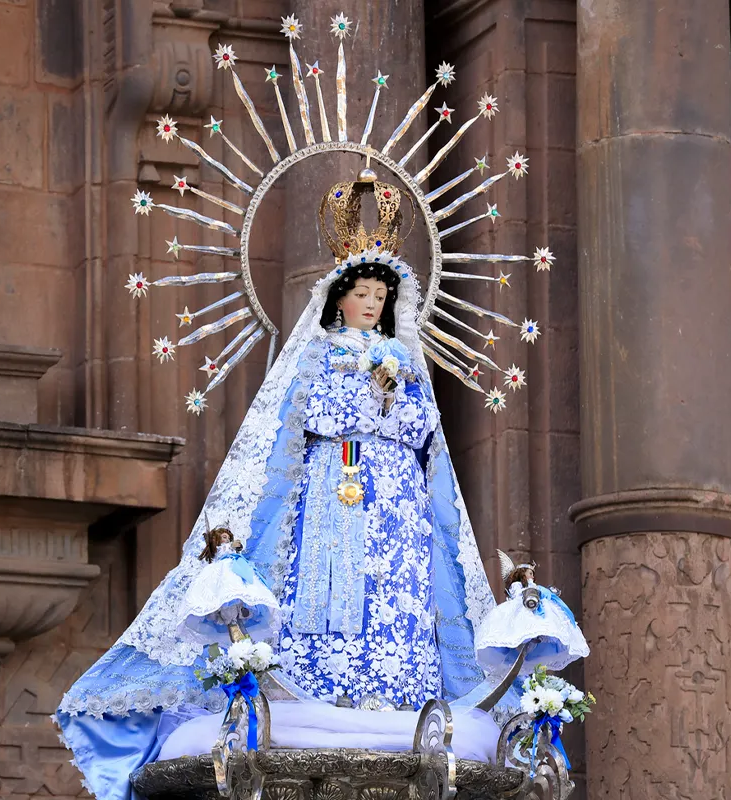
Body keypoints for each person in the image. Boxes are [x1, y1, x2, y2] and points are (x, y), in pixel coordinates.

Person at [54, 175, 496, 800]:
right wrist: (365, 402)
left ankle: (396, 688)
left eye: (381, 294)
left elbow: (424, 431)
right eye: (363, 292)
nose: (372, 304)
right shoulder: (316, 355)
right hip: (331, 491)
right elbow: (305, 416)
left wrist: (393, 399)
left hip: (395, 502)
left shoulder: (406, 365)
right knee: (325, 583)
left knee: (395, 584)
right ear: (339, 297)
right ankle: (319, 686)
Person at [473, 551, 589, 674]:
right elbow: (518, 595)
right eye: (530, 573)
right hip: (524, 606)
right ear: (522, 574)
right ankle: (522, 641)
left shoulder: (534, 586)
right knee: (524, 622)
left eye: (533, 574)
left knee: (545, 622)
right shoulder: (518, 586)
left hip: (537, 607)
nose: (532, 576)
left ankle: (537, 637)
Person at [175, 526, 280, 645]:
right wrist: (231, 546)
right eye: (224, 537)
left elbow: (236, 547)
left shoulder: (235, 558)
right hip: (225, 573)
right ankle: (233, 624)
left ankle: (241, 612)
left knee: (241, 593)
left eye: (228, 538)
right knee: (228, 597)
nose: (227, 539)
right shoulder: (221, 551)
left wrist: (237, 546)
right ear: (217, 539)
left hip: (237, 570)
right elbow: (225, 549)